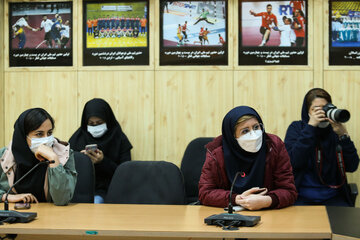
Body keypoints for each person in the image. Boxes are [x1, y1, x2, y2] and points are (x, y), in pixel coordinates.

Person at [199, 106, 297, 210]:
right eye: (245, 131)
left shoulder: (274, 146)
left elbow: (289, 191)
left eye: (256, 127)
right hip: (229, 216)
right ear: (232, 137)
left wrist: (268, 200)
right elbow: (205, 193)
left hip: (269, 215)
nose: (254, 135)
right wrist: (237, 199)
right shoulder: (216, 153)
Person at [285, 88, 359, 206]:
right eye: (316, 109)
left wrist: (343, 136)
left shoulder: (335, 130)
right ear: (307, 111)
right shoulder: (297, 128)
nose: (322, 112)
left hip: (334, 197)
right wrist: (310, 128)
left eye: (325, 108)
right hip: (301, 197)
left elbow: (352, 166)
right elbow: (293, 163)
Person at [0, 108, 77, 205]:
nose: (46, 139)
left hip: (53, 216)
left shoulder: (64, 154)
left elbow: (61, 200)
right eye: (39, 134)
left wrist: (54, 159)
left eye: (49, 133)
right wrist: (7, 196)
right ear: (23, 136)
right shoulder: (4, 156)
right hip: (15, 215)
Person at [69, 99, 133, 204]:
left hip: (110, 191)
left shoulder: (119, 139)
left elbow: (126, 175)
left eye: (99, 123)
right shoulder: (77, 138)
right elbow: (67, 171)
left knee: (97, 201)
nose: (95, 127)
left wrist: (103, 161)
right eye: (91, 124)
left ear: (108, 120)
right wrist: (81, 161)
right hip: (80, 191)